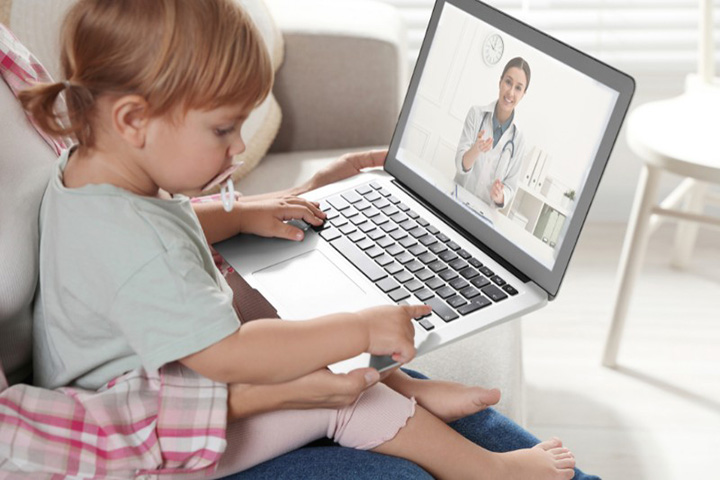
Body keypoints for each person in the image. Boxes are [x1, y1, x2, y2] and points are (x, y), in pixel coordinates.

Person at [17, 1, 597, 478]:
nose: (238, 148)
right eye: (223, 128)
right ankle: (488, 471)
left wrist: (238, 214)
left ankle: (413, 392)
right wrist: (361, 328)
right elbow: (228, 355)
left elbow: (163, 232)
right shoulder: (138, 247)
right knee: (343, 398)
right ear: (131, 118)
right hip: (159, 453)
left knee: (261, 298)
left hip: (148, 378)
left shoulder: (92, 169)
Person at [455, 57, 530, 209]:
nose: (510, 92)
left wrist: (500, 195)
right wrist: (476, 149)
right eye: (508, 82)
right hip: (457, 201)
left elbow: (510, 186)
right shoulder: (476, 114)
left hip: (485, 214)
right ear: (500, 82)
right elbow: (460, 165)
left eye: (518, 88)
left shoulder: (519, 140)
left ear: (523, 94)